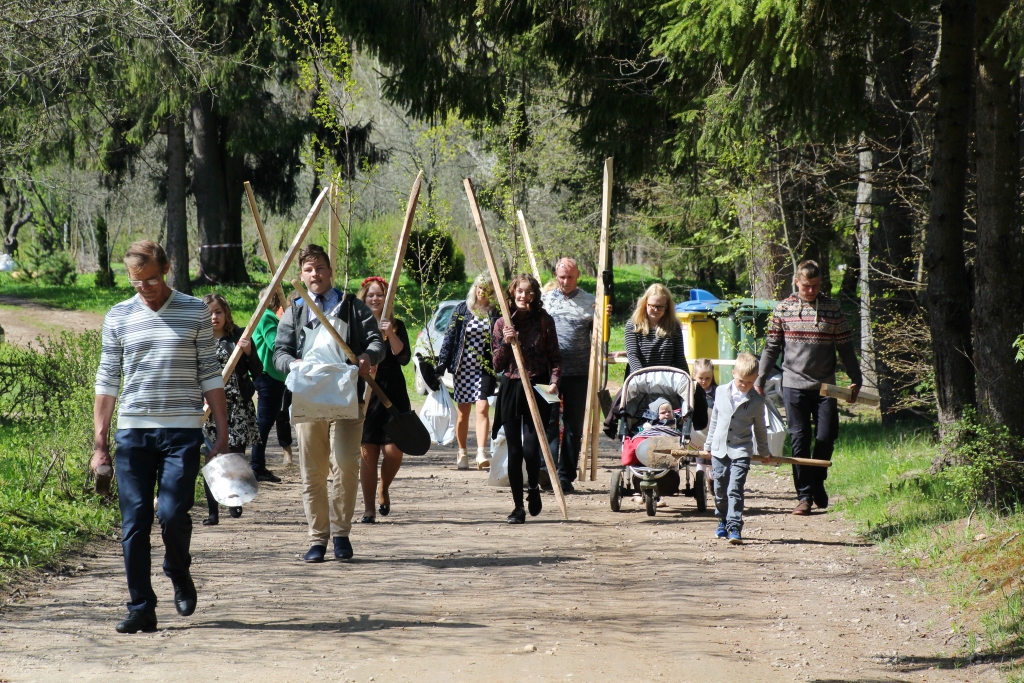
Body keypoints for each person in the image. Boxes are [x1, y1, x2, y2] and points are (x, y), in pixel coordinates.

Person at [92, 240, 228, 633]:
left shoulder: (194, 311)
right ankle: (141, 607)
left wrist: (220, 433)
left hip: (183, 431)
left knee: (171, 513)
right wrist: (100, 443)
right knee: (134, 520)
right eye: (137, 282)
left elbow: (209, 372)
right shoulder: (118, 316)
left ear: (166, 269)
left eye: (151, 279)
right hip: (134, 432)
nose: (145, 288)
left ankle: (177, 568)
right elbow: (107, 380)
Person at [273, 245, 384, 563]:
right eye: (309, 270)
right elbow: (279, 352)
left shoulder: (352, 308)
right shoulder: (295, 311)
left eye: (320, 268)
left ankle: (341, 534)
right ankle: (318, 538)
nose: (315, 274)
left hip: (347, 395)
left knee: (346, 465)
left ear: (330, 271)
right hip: (308, 398)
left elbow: (376, 342)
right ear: (302, 275)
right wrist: (292, 364)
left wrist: (367, 356)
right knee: (313, 471)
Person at [756, 259, 862, 516]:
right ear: (797, 282)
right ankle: (804, 496)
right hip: (793, 384)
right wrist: (760, 379)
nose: (811, 290)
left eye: (815, 286)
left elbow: (846, 347)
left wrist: (856, 378)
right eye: (806, 286)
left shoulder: (832, 309)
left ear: (821, 283)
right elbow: (772, 348)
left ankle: (817, 481)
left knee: (826, 436)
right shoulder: (783, 309)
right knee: (800, 439)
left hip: (826, 386)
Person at [491, 273, 562, 524]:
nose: (524, 296)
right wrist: (508, 342)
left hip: (538, 385)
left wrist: (554, 382)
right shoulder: (502, 323)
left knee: (532, 447)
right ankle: (517, 507)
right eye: (520, 291)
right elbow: (497, 365)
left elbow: (555, 357)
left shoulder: (544, 321)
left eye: (529, 292)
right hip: (511, 385)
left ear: (535, 295)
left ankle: (533, 488)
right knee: (514, 448)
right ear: (512, 293)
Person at [200, 292, 265, 525]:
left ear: (226, 313)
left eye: (218, 312)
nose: (214, 317)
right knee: (212, 458)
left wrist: (248, 353)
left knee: (235, 456)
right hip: (208, 408)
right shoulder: (198, 339)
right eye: (209, 314)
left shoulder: (239, 336)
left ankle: (235, 499)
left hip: (237, 408)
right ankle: (212, 511)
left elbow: (258, 371)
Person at [356, 276, 411, 523]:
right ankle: (369, 510)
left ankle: (384, 487)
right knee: (368, 453)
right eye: (371, 295)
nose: (375, 299)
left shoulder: (396, 325)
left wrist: (389, 332)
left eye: (380, 295)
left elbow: (403, 358)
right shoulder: (356, 326)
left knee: (394, 451)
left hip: (393, 393)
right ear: (364, 298)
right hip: (366, 393)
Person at [540, 257, 596, 493]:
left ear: (578, 275)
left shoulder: (591, 302)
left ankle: (565, 476)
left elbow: (599, 335)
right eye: (562, 277)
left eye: (570, 277)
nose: (565, 281)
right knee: (549, 421)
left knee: (573, 425)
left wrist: (603, 315)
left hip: (579, 374)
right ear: (556, 276)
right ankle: (547, 469)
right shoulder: (544, 301)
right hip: (550, 374)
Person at [436, 273, 499, 470]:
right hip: (463, 367)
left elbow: (499, 339)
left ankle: (481, 452)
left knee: (482, 407)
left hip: (484, 367)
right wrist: (441, 365)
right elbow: (449, 338)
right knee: (463, 412)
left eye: (487, 289)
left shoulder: (494, 312)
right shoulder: (462, 309)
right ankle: (462, 451)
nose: (482, 292)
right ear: (475, 288)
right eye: (480, 287)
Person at [706, 352, 770, 545]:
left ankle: (734, 525)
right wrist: (709, 444)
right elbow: (715, 420)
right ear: (733, 373)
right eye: (741, 381)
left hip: (741, 449)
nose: (744, 385)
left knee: (735, 488)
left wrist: (765, 452)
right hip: (719, 449)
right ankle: (722, 519)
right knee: (720, 489)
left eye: (750, 383)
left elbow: (760, 428)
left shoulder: (757, 401)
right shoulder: (720, 392)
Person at [251, 286, 294, 469]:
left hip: (269, 375)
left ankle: (258, 463)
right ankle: (257, 465)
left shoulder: (263, 317)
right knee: (265, 421)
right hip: (268, 374)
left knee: (266, 420)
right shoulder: (267, 317)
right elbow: (274, 343)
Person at [625, 283, 688, 374]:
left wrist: (687, 381)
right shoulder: (632, 325)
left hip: (668, 380)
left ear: (667, 307)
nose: (656, 310)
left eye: (660, 307)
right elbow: (633, 356)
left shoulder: (674, 326)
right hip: (640, 379)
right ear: (645, 303)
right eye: (652, 306)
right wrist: (642, 378)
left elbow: (680, 359)